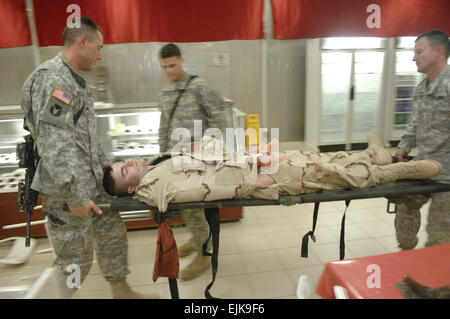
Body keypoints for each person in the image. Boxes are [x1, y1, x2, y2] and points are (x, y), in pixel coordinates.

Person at [21, 16, 157, 299]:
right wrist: (74, 195)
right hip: (67, 192)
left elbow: (84, 136)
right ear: (82, 41)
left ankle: (121, 292)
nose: (100, 54)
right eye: (99, 47)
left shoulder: (74, 81)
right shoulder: (53, 80)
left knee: (111, 234)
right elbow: (53, 142)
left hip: (92, 182)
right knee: (75, 261)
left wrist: (105, 163)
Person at [103, 133, 442, 214]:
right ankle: (397, 170)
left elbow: (209, 160)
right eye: (123, 172)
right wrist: (253, 182)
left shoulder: (157, 162)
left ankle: (372, 155)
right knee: (334, 175)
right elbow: (201, 190)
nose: (127, 165)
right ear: (131, 189)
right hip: (262, 176)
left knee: (315, 157)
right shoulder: (155, 186)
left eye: (122, 163)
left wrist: (253, 155)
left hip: (253, 162)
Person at [156, 43, 232, 280]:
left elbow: (220, 119)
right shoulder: (166, 92)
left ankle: (205, 253)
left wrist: (206, 149)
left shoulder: (199, 87)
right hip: (176, 158)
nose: (169, 70)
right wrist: (161, 155)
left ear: (181, 61)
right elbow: (164, 125)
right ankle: (198, 238)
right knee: (185, 206)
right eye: (165, 67)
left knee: (195, 205)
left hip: (198, 160)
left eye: (173, 65)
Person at [393, 29, 450, 250]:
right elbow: (415, 123)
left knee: (439, 234)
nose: (414, 57)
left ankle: (435, 278)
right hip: (424, 167)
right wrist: (404, 145)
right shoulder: (422, 88)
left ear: (438, 51)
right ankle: (407, 257)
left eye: (419, 51)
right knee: (405, 209)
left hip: (448, 176)